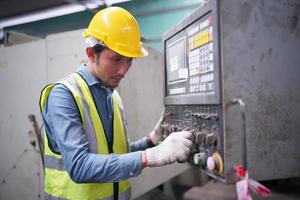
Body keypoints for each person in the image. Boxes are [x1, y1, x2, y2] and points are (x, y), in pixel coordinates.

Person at [40, 7, 193, 200]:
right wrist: (150, 157)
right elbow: (79, 167)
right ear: (91, 54)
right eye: (115, 59)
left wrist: (151, 141)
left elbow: (116, 154)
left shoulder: (112, 96)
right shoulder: (64, 95)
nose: (123, 70)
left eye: (129, 61)